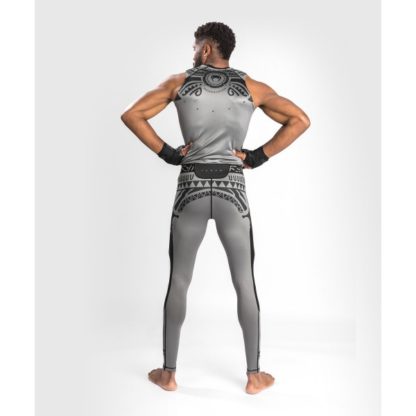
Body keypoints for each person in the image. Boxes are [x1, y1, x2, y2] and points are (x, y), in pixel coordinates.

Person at [121, 21, 311, 394]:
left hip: (190, 187)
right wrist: (255, 157)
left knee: (179, 279)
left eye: (195, 46)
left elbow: (131, 114)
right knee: (244, 281)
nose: (192, 53)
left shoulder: (179, 83)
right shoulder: (252, 87)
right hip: (231, 191)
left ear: (206, 48)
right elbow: (300, 120)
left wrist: (170, 154)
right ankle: (254, 376)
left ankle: (169, 375)